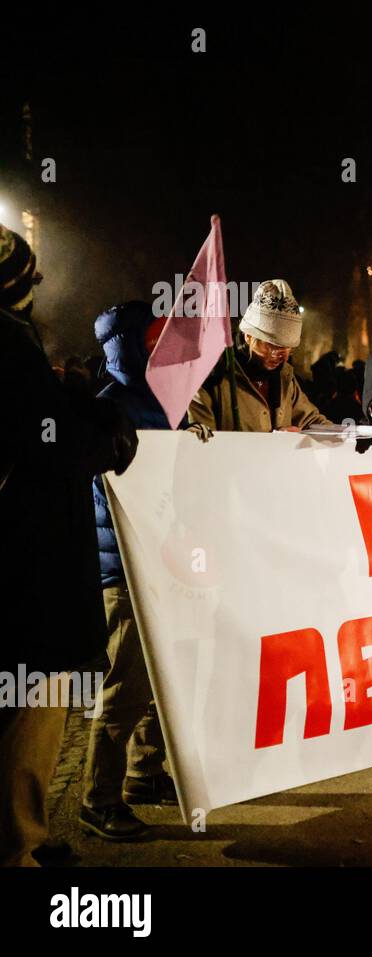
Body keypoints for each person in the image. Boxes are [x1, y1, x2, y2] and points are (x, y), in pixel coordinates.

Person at [0, 225, 138, 866]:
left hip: (24, 568)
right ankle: (19, 846)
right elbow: (48, 445)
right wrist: (105, 436)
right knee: (33, 715)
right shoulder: (7, 346)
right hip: (31, 574)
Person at [81, 303, 179, 842]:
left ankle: (143, 774)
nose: (165, 348)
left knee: (154, 679)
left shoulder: (161, 403)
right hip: (122, 570)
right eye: (154, 339)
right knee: (125, 684)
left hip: (161, 562)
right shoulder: (108, 408)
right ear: (130, 345)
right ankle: (98, 799)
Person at [187, 279, 332, 435]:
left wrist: (347, 438)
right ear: (249, 337)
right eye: (274, 347)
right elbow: (200, 444)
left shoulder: (285, 378)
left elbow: (312, 421)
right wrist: (270, 444)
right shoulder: (213, 378)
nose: (282, 358)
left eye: (288, 349)